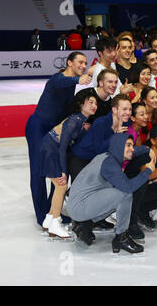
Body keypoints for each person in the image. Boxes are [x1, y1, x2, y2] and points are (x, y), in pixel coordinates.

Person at [25, 52, 92, 227]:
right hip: (37, 128)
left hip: (54, 130)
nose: (83, 65)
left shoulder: (71, 85)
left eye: (85, 63)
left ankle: (52, 209)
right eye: (80, 62)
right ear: (69, 62)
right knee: (38, 172)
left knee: (61, 170)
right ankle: (41, 215)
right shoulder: (58, 79)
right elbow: (58, 82)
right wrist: (77, 80)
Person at [67, 133, 155, 253]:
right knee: (124, 195)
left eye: (133, 145)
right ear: (119, 146)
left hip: (77, 204)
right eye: (128, 145)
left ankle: (84, 225)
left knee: (116, 195)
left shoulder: (105, 156)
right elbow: (128, 188)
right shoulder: (110, 165)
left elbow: (129, 152)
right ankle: (121, 238)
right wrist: (148, 171)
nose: (132, 149)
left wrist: (146, 149)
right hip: (80, 206)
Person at [40, 90, 98, 238]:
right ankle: (55, 223)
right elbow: (63, 146)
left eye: (95, 103)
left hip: (50, 148)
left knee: (58, 185)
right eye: (90, 102)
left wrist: (84, 131)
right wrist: (63, 171)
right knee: (61, 184)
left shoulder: (80, 121)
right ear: (80, 104)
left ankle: (49, 219)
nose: (94, 106)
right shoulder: (74, 120)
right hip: (50, 149)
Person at [69, 94, 132, 181]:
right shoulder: (101, 123)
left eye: (130, 109)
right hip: (81, 158)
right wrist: (115, 136)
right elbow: (98, 149)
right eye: (124, 109)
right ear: (114, 110)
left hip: (98, 161)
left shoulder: (126, 122)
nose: (128, 113)